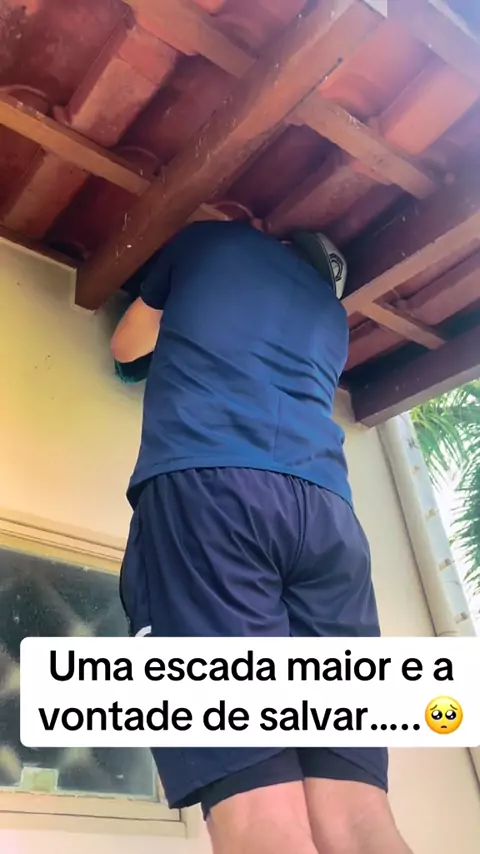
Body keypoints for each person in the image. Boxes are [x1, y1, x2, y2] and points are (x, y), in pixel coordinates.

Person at [111, 215, 413, 854]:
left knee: (257, 809)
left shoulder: (211, 241)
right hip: (330, 520)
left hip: (215, 495)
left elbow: (126, 346)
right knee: (359, 816)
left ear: (279, 242)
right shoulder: (333, 321)